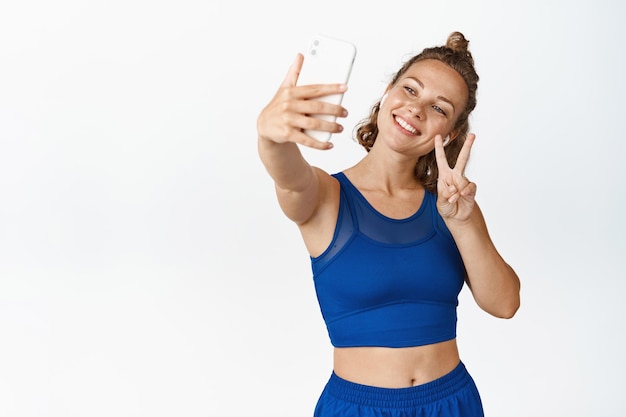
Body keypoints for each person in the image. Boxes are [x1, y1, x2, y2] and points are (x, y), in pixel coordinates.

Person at [256, 31, 520, 417]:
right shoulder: (326, 197)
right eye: (410, 90)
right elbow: (289, 178)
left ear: (451, 135)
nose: (416, 109)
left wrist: (464, 223)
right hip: (358, 407)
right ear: (387, 93)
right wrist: (270, 137)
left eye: (439, 108)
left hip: (451, 402)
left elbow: (505, 304)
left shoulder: (451, 206)